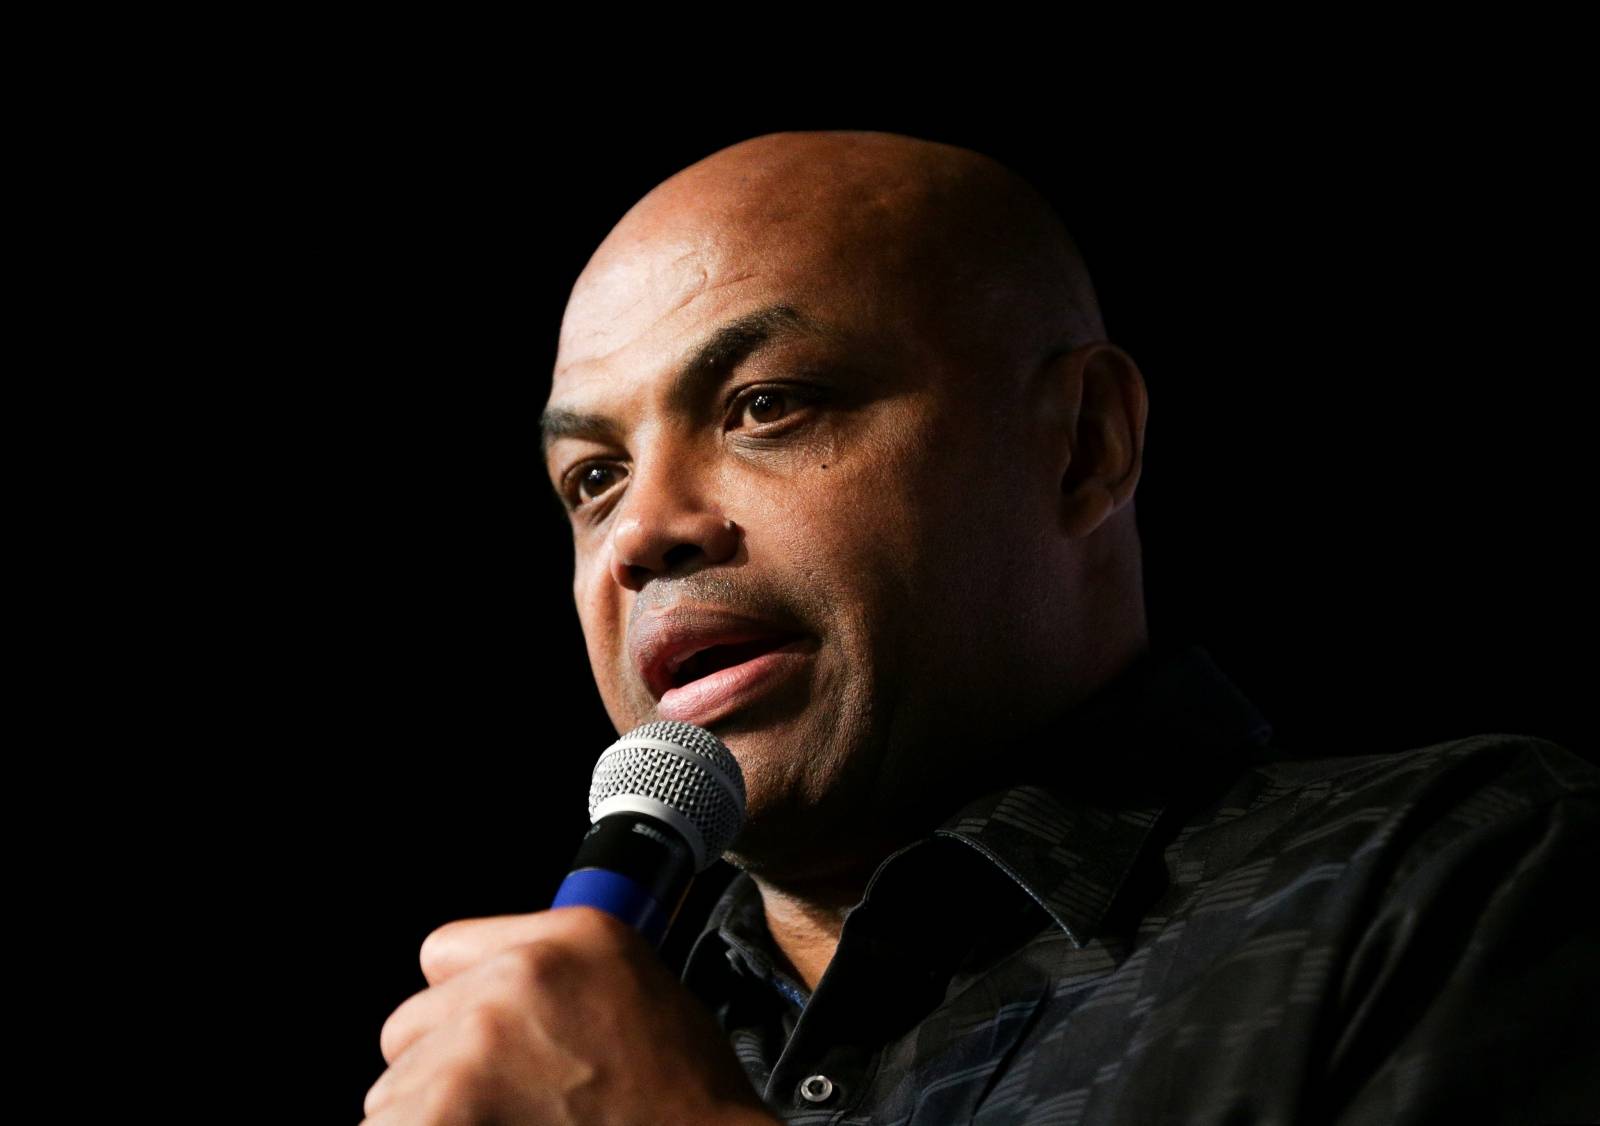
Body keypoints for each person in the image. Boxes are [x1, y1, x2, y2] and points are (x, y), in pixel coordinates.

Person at [362, 130, 1599, 1124]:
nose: (642, 534)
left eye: (765, 407)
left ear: (1082, 445)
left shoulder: (1459, 873)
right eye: (593, 479)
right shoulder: (561, 1059)